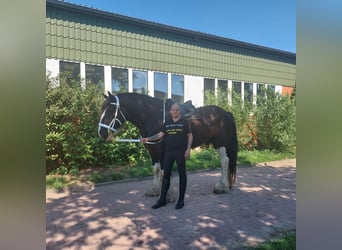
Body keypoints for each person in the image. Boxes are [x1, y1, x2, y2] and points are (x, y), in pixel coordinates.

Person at [141, 103, 193, 210]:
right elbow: (160, 135)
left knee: (182, 175)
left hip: (180, 152)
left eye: (177, 110)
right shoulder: (167, 122)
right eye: (173, 110)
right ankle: (162, 200)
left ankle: (181, 200)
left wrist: (188, 149)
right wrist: (148, 139)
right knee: (166, 176)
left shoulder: (184, 122)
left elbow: (190, 135)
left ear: (179, 111)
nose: (175, 111)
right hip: (168, 153)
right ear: (170, 111)